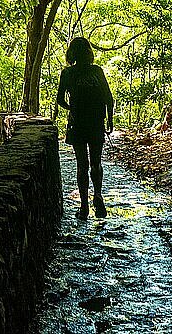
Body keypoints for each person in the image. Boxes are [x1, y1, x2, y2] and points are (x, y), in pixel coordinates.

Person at [57, 37, 114, 220]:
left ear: (71, 53)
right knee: (96, 162)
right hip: (96, 122)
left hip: (77, 123)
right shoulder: (97, 71)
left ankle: (84, 206)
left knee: (82, 164)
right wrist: (110, 120)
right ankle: (98, 195)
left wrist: (72, 109)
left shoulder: (67, 74)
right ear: (89, 52)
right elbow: (108, 97)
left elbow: (60, 100)